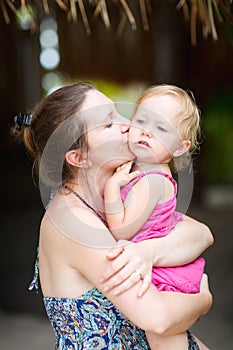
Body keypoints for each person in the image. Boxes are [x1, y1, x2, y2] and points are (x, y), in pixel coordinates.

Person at [12, 82, 213, 349]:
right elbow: (159, 319)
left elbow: (200, 232)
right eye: (108, 123)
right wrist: (203, 296)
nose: (128, 125)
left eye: (118, 112)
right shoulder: (74, 222)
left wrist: (152, 251)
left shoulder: (117, 196)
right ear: (79, 158)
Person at [104, 84, 209, 349]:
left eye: (161, 128)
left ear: (179, 147)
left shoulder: (152, 182)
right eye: (141, 121)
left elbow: (122, 231)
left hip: (163, 278)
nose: (147, 131)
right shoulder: (140, 170)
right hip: (154, 268)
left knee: (164, 342)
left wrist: (111, 189)